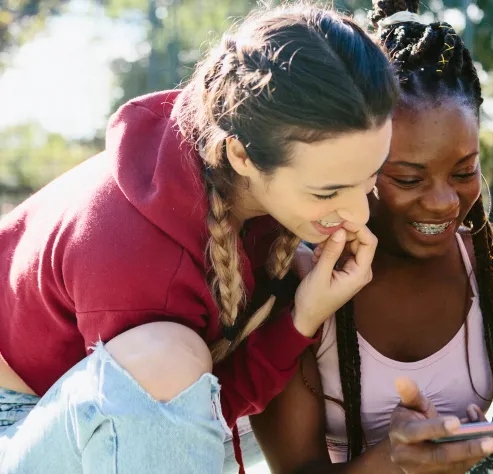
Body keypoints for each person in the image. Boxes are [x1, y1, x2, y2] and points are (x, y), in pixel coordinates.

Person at [0, 4, 398, 473]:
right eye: (327, 191)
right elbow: (176, 427)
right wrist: (297, 324)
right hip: (18, 421)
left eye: (370, 177)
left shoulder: (239, 148)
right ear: (242, 156)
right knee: (166, 360)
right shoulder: (137, 260)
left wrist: (303, 313)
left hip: (92, 406)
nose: (357, 212)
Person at [249, 2, 493, 473]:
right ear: (359, 167)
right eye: (408, 179)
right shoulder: (299, 289)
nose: (443, 202)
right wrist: (390, 463)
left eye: (464, 171)